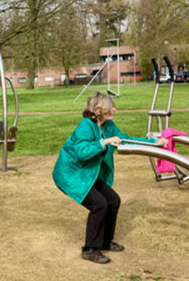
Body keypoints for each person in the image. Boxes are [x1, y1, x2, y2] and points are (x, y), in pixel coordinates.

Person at [52, 92, 167, 264]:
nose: (114, 109)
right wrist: (104, 143)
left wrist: (153, 142)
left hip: (87, 173)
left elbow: (126, 140)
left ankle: (105, 241)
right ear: (98, 110)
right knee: (99, 205)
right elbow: (82, 153)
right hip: (71, 174)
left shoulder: (108, 125)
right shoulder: (85, 126)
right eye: (109, 107)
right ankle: (89, 249)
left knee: (113, 200)